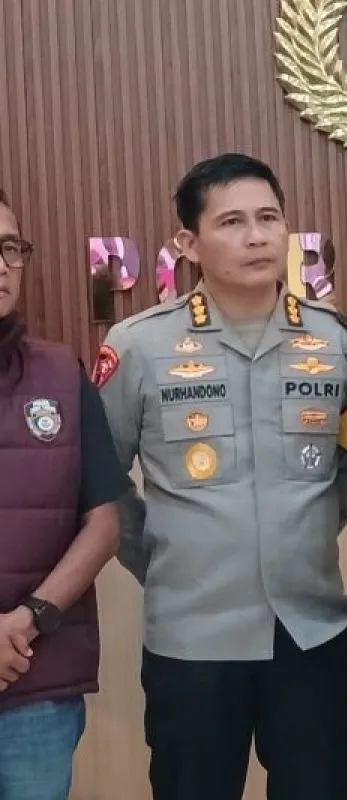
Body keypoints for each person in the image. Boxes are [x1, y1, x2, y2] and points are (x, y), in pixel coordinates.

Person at [93, 153, 347, 800]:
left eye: (268, 218)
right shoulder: (138, 345)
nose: (256, 236)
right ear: (189, 243)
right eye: (232, 222)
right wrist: (164, 555)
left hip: (312, 631)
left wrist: (301, 534)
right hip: (192, 638)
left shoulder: (331, 339)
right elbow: (101, 480)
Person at [0, 190, 128, 800]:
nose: (1, 265)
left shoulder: (60, 374)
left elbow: (104, 521)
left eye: (9, 248)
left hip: (35, 681)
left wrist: (27, 621)